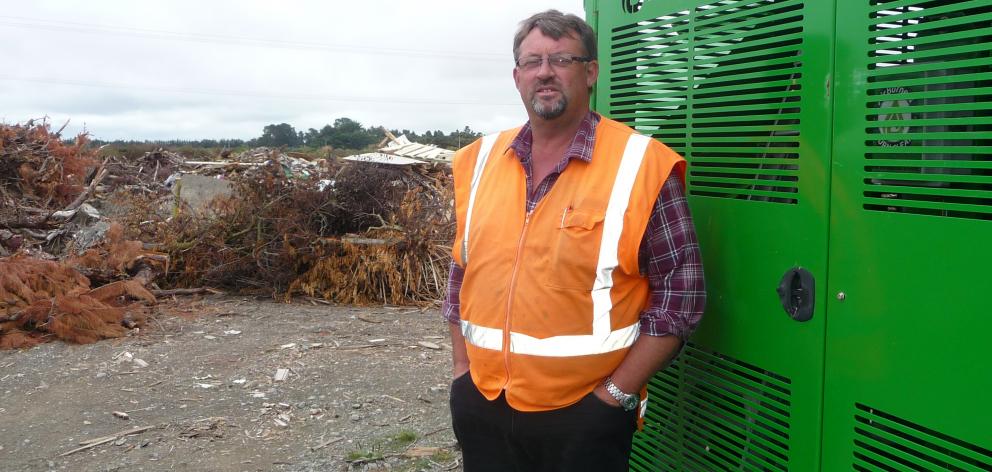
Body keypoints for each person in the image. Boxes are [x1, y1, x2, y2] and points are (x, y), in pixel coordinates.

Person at [443, 9, 705, 472]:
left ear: (590, 73)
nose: (545, 72)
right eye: (532, 61)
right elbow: (461, 273)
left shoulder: (642, 166)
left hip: (584, 416)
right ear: (517, 76)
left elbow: (680, 300)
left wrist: (613, 397)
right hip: (482, 403)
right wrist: (461, 373)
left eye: (562, 59)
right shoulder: (478, 161)